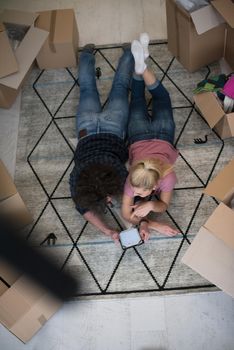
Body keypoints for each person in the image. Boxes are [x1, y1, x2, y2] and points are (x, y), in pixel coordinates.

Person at [69, 44, 134, 241]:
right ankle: (87, 53)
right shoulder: (76, 178)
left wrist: (108, 229)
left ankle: (129, 53)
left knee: (121, 88)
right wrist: (108, 230)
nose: (108, 200)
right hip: (86, 129)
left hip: (113, 129)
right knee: (88, 88)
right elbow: (83, 207)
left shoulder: (119, 171)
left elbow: (85, 209)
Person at [121, 34, 180, 241]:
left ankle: (142, 64)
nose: (136, 193)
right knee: (137, 98)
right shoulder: (134, 178)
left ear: (155, 187)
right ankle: (141, 65)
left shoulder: (165, 177)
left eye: (140, 192)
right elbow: (160, 207)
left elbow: (126, 214)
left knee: (161, 98)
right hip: (138, 134)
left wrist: (151, 206)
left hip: (162, 134)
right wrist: (151, 214)